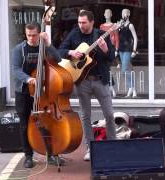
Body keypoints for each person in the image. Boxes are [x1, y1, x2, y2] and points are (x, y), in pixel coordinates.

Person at [58, 10, 116, 161]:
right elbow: (60, 51)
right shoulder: (74, 34)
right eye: (79, 22)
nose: (80, 25)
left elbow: (111, 58)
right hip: (81, 81)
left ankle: (113, 145)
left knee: (109, 114)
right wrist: (71, 52)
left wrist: (105, 49)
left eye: (83, 22)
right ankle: (90, 148)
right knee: (85, 116)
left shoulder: (102, 34)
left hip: (100, 79)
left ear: (91, 22)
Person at [12, 22, 63, 168]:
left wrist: (48, 43)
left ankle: (51, 154)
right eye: (29, 35)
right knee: (24, 124)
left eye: (34, 35)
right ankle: (28, 156)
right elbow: (15, 69)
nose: (32, 38)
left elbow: (58, 59)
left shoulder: (43, 47)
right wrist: (29, 79)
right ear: (26, 34)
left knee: (47, 122)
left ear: (39, 33)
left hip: (42, 92)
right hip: (23, 91)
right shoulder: (19, 49)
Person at [118, 8, 138, 98]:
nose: (124, 15)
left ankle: (132, 88)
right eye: (122, 13)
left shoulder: (130, 25)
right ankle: (132, 89)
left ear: (129, 14)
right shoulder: (120, 26)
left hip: (128, 49)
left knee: (124, 70)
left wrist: (134, 50)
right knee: (127, 70)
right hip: (121, 49)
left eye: (126, 13)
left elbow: (135, 38)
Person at [100, 9, 119, 98]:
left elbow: (117, 38)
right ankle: (110, 88)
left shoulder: (114, 26)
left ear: (111, 14)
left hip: (111, 50)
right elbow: (100, 38)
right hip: (103, 50)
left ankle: (110, 88)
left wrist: (116, 50)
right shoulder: (101, 26)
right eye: (106, 13)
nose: (107, 14)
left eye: (109, 13)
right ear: (104, 15)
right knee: (106, 69)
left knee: (108, 69)